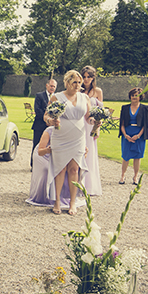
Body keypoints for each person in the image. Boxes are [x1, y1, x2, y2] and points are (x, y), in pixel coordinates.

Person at [45, 70, 99, 215]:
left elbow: (88, 118)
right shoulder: (57, 97)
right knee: (60, 169)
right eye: (74, 82)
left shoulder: (84, 98)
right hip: (60, 137)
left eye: (79, 82)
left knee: (74, 169)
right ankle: (57, 201)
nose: (77, 85)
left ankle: (72, 202)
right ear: (67, 82)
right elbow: (46, 116)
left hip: (78, 138)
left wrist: (95, 121)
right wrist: (51, 121)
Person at [26, 126, 85, 209]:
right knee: (48, 170)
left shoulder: (74, 131)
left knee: (73, 169)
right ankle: (47, 198)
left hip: (62, 157)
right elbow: (40, 151)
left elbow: (82, 153)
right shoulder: (49, 131)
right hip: (45, 156)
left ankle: (71, 201)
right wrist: (48, 150)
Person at [80, 66, 104, 196]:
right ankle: (79, 183)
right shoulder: (79, 90)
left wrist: (98, 127)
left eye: (88, 76)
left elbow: (101, 111)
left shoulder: (98, 91)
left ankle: (90, 186)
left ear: (93, 77)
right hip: (80, 124)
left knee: (91, 153)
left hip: (92, 125)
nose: (86, 79)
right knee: (80, 151)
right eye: (84, 76)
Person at [119, 87, 148, 184]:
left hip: (139, 135)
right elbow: (122, 124)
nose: (134, 97)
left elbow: (145, 125)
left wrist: (138, 135)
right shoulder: (125, 108)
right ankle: (122, 176)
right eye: (133, 95)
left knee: (137, 156)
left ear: (140, 97)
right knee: (126, 156)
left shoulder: (145, 108)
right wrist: (125, 135)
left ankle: (135, 177)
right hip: (127, 134)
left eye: (137, 96)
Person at [31, 79, 57, 168]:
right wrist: (47, 120)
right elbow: (37, 110)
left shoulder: (57, 98)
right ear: (47, 85)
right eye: (51, 86)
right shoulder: (39, 95)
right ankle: (33, 165)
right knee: (36, 145)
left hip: (51, 127)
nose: (52, 88)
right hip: (40, 125)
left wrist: (51, 122)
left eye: (54, 86)